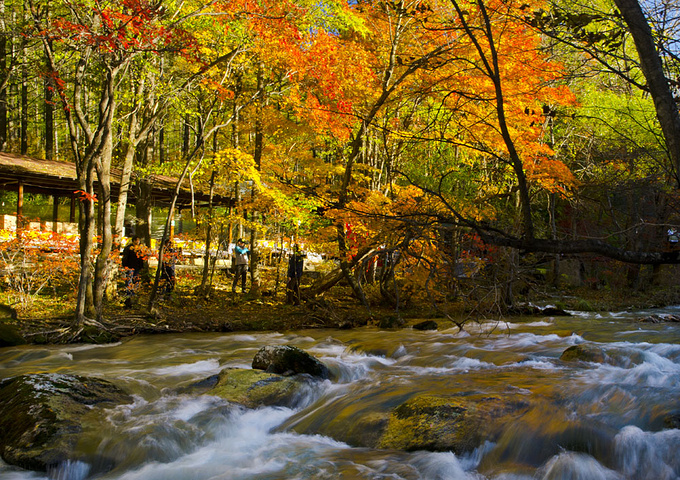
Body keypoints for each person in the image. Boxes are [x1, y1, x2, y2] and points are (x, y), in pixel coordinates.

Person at [121, 236, 145, 307]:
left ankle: (134, 295)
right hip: (130, 267)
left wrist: (141, 266)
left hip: (137, 267)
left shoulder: (140, 249)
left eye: (138, 240)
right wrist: (125, 266)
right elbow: (125, 258)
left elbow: (141, 258)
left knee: (136, 281)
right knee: (129, 281)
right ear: (133, 241)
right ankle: (128, 295)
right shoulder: (128, 248)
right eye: (136, 240)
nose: (138, 242)